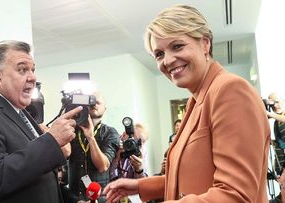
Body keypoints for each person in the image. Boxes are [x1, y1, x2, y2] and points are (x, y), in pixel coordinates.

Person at [103, 5, 270, 202]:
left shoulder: (229, 91)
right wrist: (140, 185)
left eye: (177, 46)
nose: (168, 60)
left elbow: (235, 194)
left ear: (205, 44)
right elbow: (194, 176)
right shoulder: (196, 99)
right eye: (159, 54)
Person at [0, 40, 82, 203]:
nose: (33, 77)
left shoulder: (16, 109)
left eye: (33, 70)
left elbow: (36, 177)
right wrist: (51, 142)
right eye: (22, 70)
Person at [67, 91, 120, 203]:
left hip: (100, 199)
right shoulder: (72, 130)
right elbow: (63, 155)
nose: (95, 104)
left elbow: (103, 166)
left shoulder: (110, 133)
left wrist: (90, 137)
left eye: (98, 103)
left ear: (105, 108)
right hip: (74, 197)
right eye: (91, 102)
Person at [109, 123, 149, 203]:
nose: (135, 145)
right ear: (124, 135)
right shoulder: (112, 143)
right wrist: (116, 159)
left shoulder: (141, 152)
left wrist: (139, 169)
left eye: (140, 143)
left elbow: (143, 186)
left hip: (123, 196)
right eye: (134, 140)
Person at [267, 93, 285, 175]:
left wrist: (270, 114)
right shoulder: (276, 122)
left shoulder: (279, 118)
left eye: (277, 102)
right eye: (272, 104)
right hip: (281, 169)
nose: (275, 106)